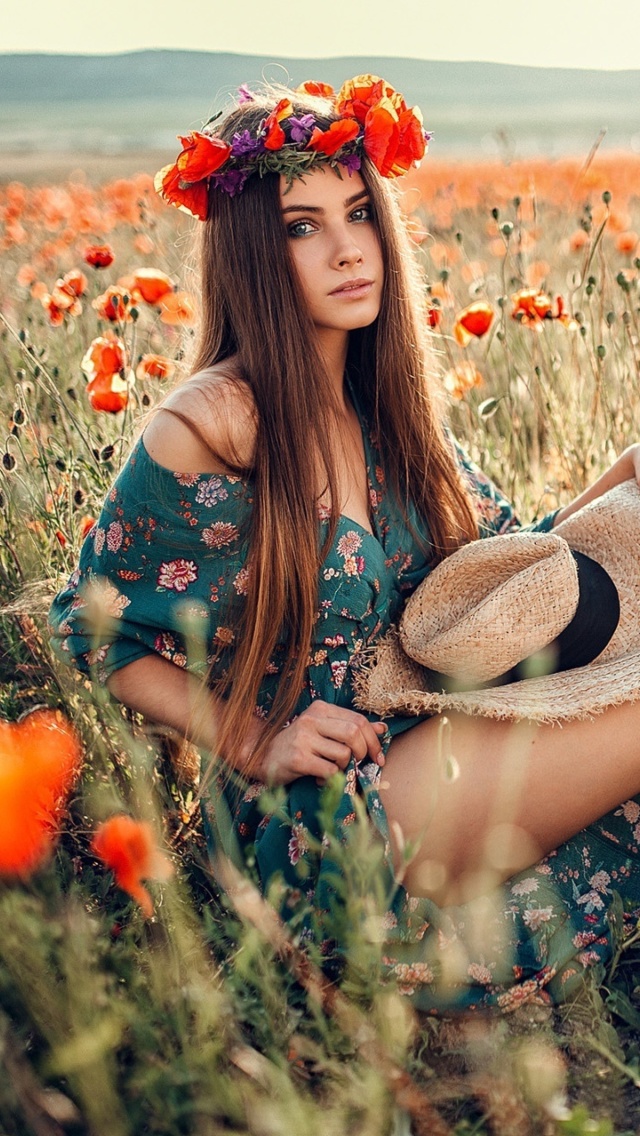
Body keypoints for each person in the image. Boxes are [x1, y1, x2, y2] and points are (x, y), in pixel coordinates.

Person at [49, 76, 640, 1012]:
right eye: (300, 225)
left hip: (442, 739)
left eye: (359, 213)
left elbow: (504, 580)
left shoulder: (380, 407)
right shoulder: (216, 419)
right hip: (339, 812)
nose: (347, 249)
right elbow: (88, 628)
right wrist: (254, 741)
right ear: (249, 252)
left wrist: (623, 476)